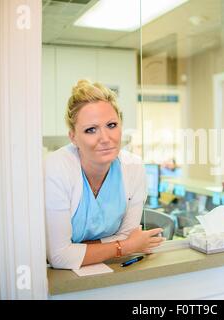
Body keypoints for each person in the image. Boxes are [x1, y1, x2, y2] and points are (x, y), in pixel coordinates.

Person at [45, 79, 165, 270]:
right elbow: (59, 257)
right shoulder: (56, 167)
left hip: (108, 270)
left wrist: (75, 250)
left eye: (111, 125)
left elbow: (127, 234)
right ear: (73, 137)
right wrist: (125, 246)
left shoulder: (133, 168)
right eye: (91, 130)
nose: (105, 138)